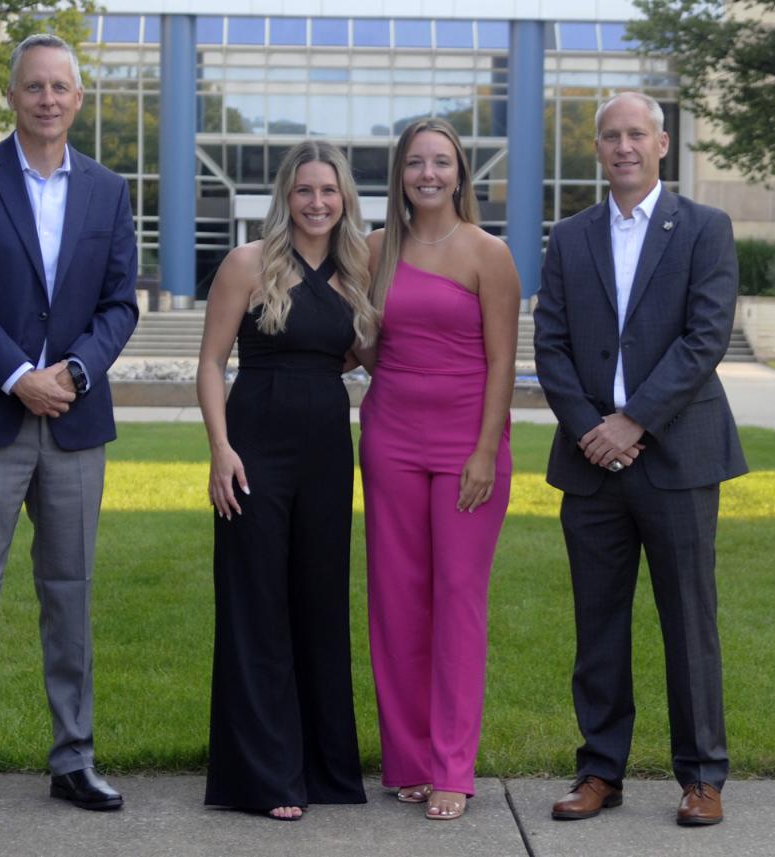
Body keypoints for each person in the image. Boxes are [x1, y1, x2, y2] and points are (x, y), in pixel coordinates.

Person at [0, 33, 137, 826]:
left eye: (61, 87)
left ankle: (73, 758)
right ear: (12, 97)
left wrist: (73, 374)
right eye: (34, 86)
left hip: (76, 423)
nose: (48, 99)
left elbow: (122, 303)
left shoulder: (109, 192)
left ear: (79, 100)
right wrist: (20, 376)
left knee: (70, 593)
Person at [534, 91, 748, 827]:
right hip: (590, 462)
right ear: (596, 150)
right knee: (598, 624)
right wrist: (595, 428)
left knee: (690, 620)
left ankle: (701, 775)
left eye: (637, 134)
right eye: (610, 136)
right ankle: (600, 770)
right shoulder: (569, 237)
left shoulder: (704, 229)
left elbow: (705, 337)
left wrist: (633, 422)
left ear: (662, 144)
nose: (623, 146)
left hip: (678, 456)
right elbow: (551, 344)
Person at [197, 140, 377, 821]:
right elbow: (212, 363)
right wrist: (220, 450)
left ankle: (325, 769)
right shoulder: (248, 262)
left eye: (328, 191)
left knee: (320, 602)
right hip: (255, 447)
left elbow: (374, 355)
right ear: (286, 194)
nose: (317, 202)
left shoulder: (354, 269)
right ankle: (265, 775)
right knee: (256, 604)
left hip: (329, 452)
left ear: (344, 198)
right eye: (305, 190)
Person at [359, 117, 520, 821]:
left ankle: (454, 765)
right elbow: (361, 343)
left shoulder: (489, 254)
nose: (429, 173)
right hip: (389, 437)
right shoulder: (371, 252)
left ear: (460, 173)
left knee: (458, 601)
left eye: (442, 162)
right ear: (399, 173)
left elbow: (503, 362)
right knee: (395, 601)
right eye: (416, 162)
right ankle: (410, 761)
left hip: (467, 444)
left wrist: (484, 449)